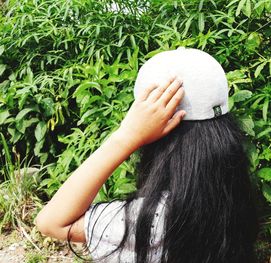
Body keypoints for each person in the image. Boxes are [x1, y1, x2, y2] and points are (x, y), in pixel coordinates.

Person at [36, 47, 259, 263]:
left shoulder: (147, 221)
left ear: (155, 141)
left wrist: (126, 136)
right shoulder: (235, 200)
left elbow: (52, 223)